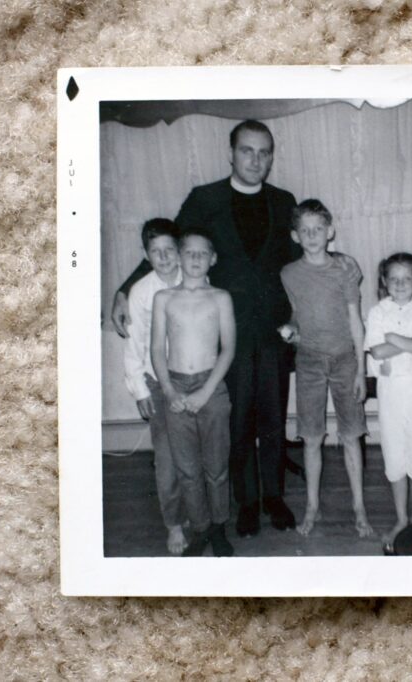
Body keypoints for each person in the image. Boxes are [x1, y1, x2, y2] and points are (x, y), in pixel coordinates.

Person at [111, 120, 300, 538]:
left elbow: (297, 263)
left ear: (271, 156)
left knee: (272, 420)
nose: (256, 159)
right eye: (247, 150)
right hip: (223, 334)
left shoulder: (284, 200)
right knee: (235, 425)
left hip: (272, 332)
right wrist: (125, 289)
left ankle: (274, 497)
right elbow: (168, 248)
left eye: (264, 151)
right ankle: (247, 502)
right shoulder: (205, 198)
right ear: (230, 153)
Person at [279, 200, 373, 538]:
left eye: (318, 228)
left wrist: (361, 370)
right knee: (312, 438)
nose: (312, 235)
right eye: (305, 230)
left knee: (351, 437)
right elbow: (295, 312)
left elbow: (355, 320)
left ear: (330, 231)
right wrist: (290, 329)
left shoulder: (346, 268)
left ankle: (359, 508)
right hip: (308, 362)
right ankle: (312, 507)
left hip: (345, 360)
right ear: (295, 235)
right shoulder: (288, 273)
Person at [151, 230, 236, 557]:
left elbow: (228, 349)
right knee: (187, 468)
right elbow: (157, 349)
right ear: (179, 257)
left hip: (211, 387)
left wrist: (205, 392)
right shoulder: (164, 299)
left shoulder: (220, 298)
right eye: (190, 253)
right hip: (175, 385)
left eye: (203, 254)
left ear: (213, 259)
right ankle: (199, 529)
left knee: (216, 467)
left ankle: (218, 527)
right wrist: (169, 390)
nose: (196, 259)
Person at [364, 252, 412, 551]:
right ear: (384, 281)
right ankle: (401, 519)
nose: (399, 284)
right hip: (390, 389)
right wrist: (411, 342)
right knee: (394, 453)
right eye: (393, 279)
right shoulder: (377, 312)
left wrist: (394, 337)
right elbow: (377, 353)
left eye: (406, 278)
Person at [122, 218, 186, 554]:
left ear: (179, 251)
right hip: (157, 382)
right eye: (155, 252)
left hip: (193, 378)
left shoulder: (194, 279)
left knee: (194, 454)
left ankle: (196, 513)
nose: (163, 258)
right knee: (167, 459)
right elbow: (133, 346)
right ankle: (173, 525)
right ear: (146, 255)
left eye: (169, 250)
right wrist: (140, 390)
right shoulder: (140, 292)